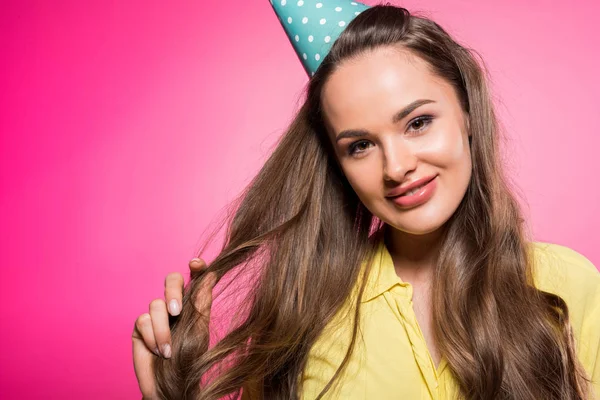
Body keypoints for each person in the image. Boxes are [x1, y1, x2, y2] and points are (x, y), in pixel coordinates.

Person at [132, 2, 600, 399]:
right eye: (360, 146)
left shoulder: (563, 287)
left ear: (467, 112)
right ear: (338, 163)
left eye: (418, 122)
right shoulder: (302, 320)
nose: (396, 167)